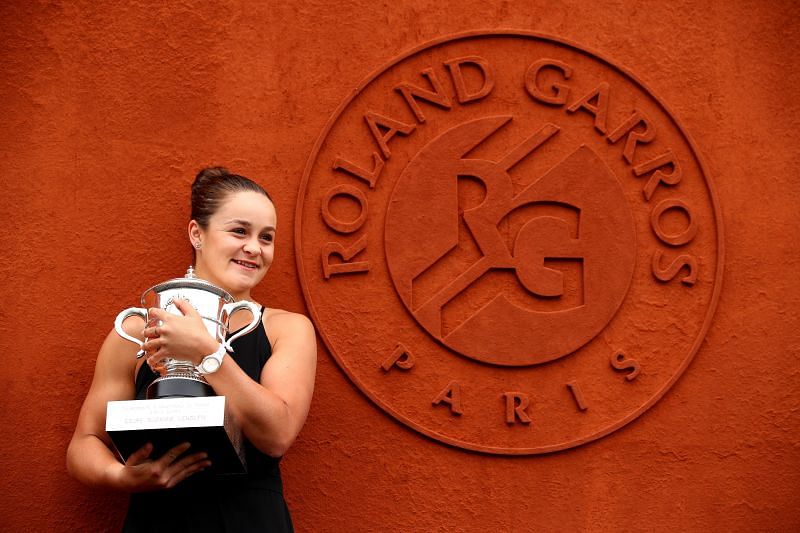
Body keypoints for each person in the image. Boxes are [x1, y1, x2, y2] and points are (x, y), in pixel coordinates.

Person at [67, 167, 317, 532]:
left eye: (267, 237)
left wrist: (206, 351)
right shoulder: (138, 329)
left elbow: (276, 434)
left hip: (251, 521)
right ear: (197, 234)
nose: (254, 248)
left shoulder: (286, 329)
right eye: (239, 231)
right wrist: (120, 476)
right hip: (157, 520)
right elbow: (84, 443)